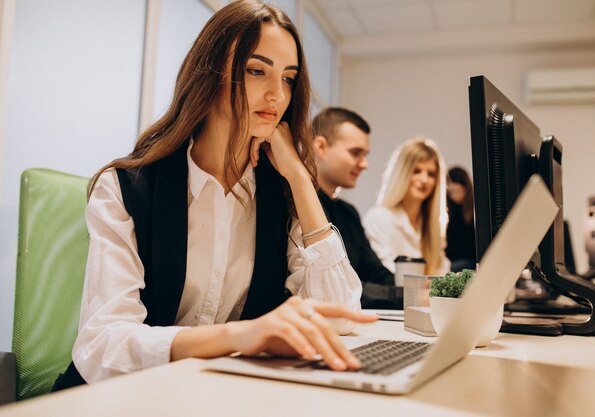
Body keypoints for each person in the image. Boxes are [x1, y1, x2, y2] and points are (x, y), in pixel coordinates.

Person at [52, 0, 376, 391]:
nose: (277, 94)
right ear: (210, 74)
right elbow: (102, 344)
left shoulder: (277, 194)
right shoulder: (126, 187)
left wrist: (298, 178)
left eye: (289, 79)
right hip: (119, 398)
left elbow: (340, 318)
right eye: (257, 71)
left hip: (214, 397)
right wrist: (238, 336)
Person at [312, 107, 401, 309]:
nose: (364, 164)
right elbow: (341, 288)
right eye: (355, 153)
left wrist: (427, 289)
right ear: (321, 147)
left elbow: (377, 273)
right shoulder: (294, 204)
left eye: (365, 154)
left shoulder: (348, 213)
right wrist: (404, 296)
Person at [364, 137, 449, 276]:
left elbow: (442, 270)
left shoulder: (435, 224)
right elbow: (387, 273)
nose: (424, 180)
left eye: (431, 174)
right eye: (416, 171)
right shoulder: (378, 218)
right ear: (402, 173)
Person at [445, 166, 477, 272]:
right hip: (452, 260)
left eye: (457, 191)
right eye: (451, 193)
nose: (454, 196)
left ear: (466, 188)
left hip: (469, 261)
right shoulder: (449, 211)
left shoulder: (474, 210)